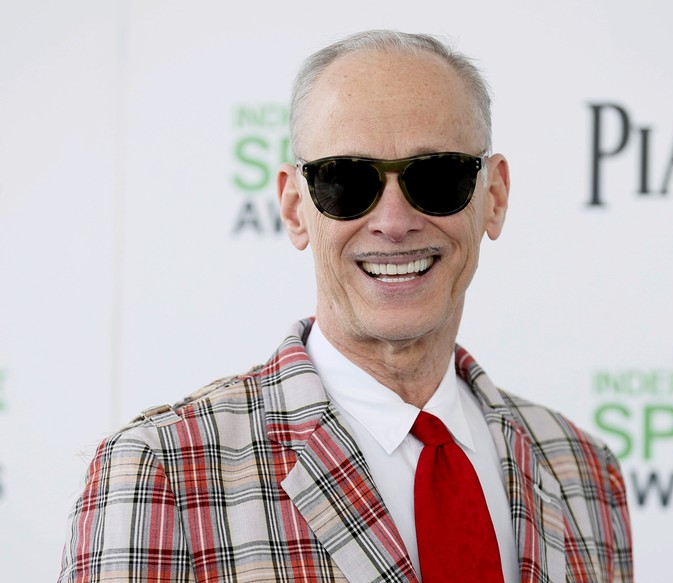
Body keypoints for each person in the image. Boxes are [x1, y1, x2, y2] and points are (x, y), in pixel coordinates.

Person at [59, 30, 633, 582]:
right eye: (346, 181)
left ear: (495, 198)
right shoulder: (160, 474)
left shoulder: (584, 472)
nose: (394, 222)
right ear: (293, 208)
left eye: (437, 177)